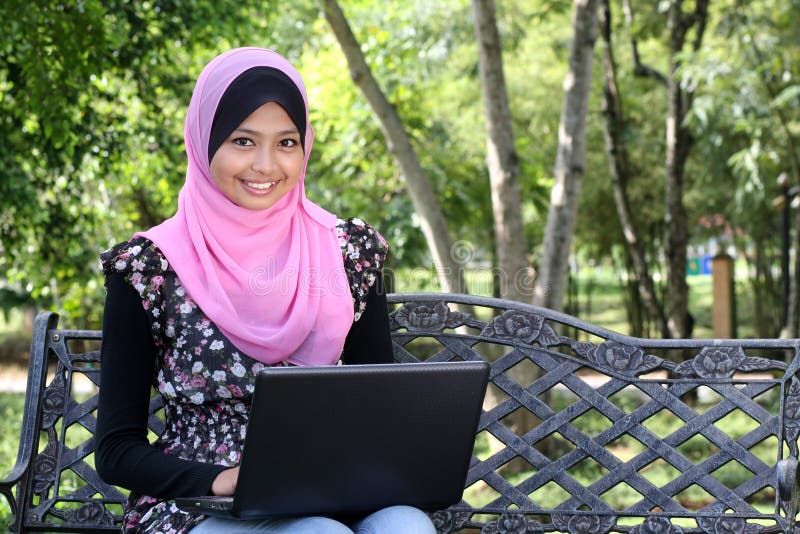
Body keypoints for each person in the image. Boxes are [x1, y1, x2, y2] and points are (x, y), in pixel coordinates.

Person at [95, 47, 436, 534]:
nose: (265, 164)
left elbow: (374, 406)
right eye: (242, 140)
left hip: (329, 485)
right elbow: (115, 448)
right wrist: (220, 480)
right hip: (198, 502)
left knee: (406, 526)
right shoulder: (149, 267)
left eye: (287, 142)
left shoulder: (347, 253)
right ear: (203, 141)